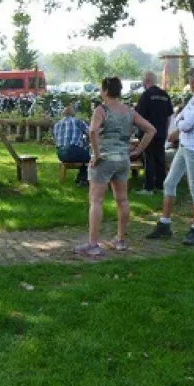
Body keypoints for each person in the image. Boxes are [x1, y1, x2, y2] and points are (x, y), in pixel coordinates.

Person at [74, 77, 156, 258]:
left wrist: (96, 154)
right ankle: (120, 240)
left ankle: (93, 245)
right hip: (123, 160)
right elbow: (151, 129)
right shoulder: (129, 111)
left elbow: (93, 131)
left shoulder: (101, 110)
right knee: (122, 200)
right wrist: (138, 150)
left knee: (96, 201)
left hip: (104, 160)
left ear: (104, 91)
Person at [146, 67, 194, 247]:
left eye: (189, 79)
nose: (188, 82)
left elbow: (186, 124)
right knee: (169, 183)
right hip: (184, 145)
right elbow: (181, 118)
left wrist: (181, 123)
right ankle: (165, 224)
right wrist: (182, 123)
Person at [134, 71, 173, 194]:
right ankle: (160, 186)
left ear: (146, 81)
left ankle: (148, 187)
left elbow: (138, 116)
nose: (142, 83)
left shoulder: (146, 95)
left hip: (148, 133)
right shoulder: (165, 95)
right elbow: (169, 116)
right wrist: (166, 130)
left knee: (148, 159)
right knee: (160, 159)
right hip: (161, 132)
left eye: (143, 81)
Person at [53, 105, 91, 186]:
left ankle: (81, 178)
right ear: (73, 113)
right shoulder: (77, 121)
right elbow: (90, 133)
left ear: (63, 114)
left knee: (84, 155)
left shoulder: (57, 125)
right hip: (73, 151)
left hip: (61, 154)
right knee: (92, 158)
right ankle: (82, 179)